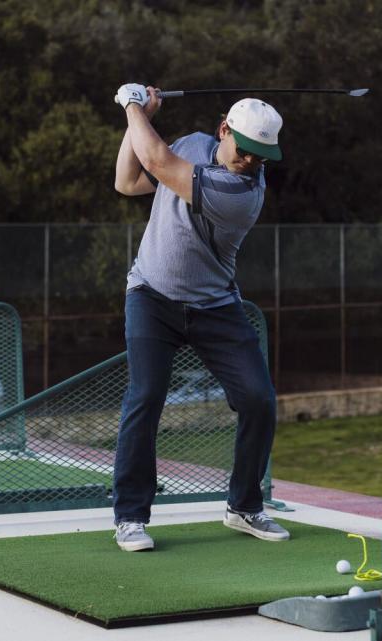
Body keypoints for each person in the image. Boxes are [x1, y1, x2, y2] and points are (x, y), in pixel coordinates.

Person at [111, 82, 289, 551]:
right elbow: (128, 181)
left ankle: (244, 506)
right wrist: (138, 119)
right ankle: (130, 516)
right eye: (246, 150)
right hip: (151, 295)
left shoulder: (243, 192)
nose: (252, 161)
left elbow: (159, 162)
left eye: (262, 156)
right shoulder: (193, 145)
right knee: (145, 396)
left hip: (214, 305)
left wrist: (133, 106)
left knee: (259, 399)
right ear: (223, 130)